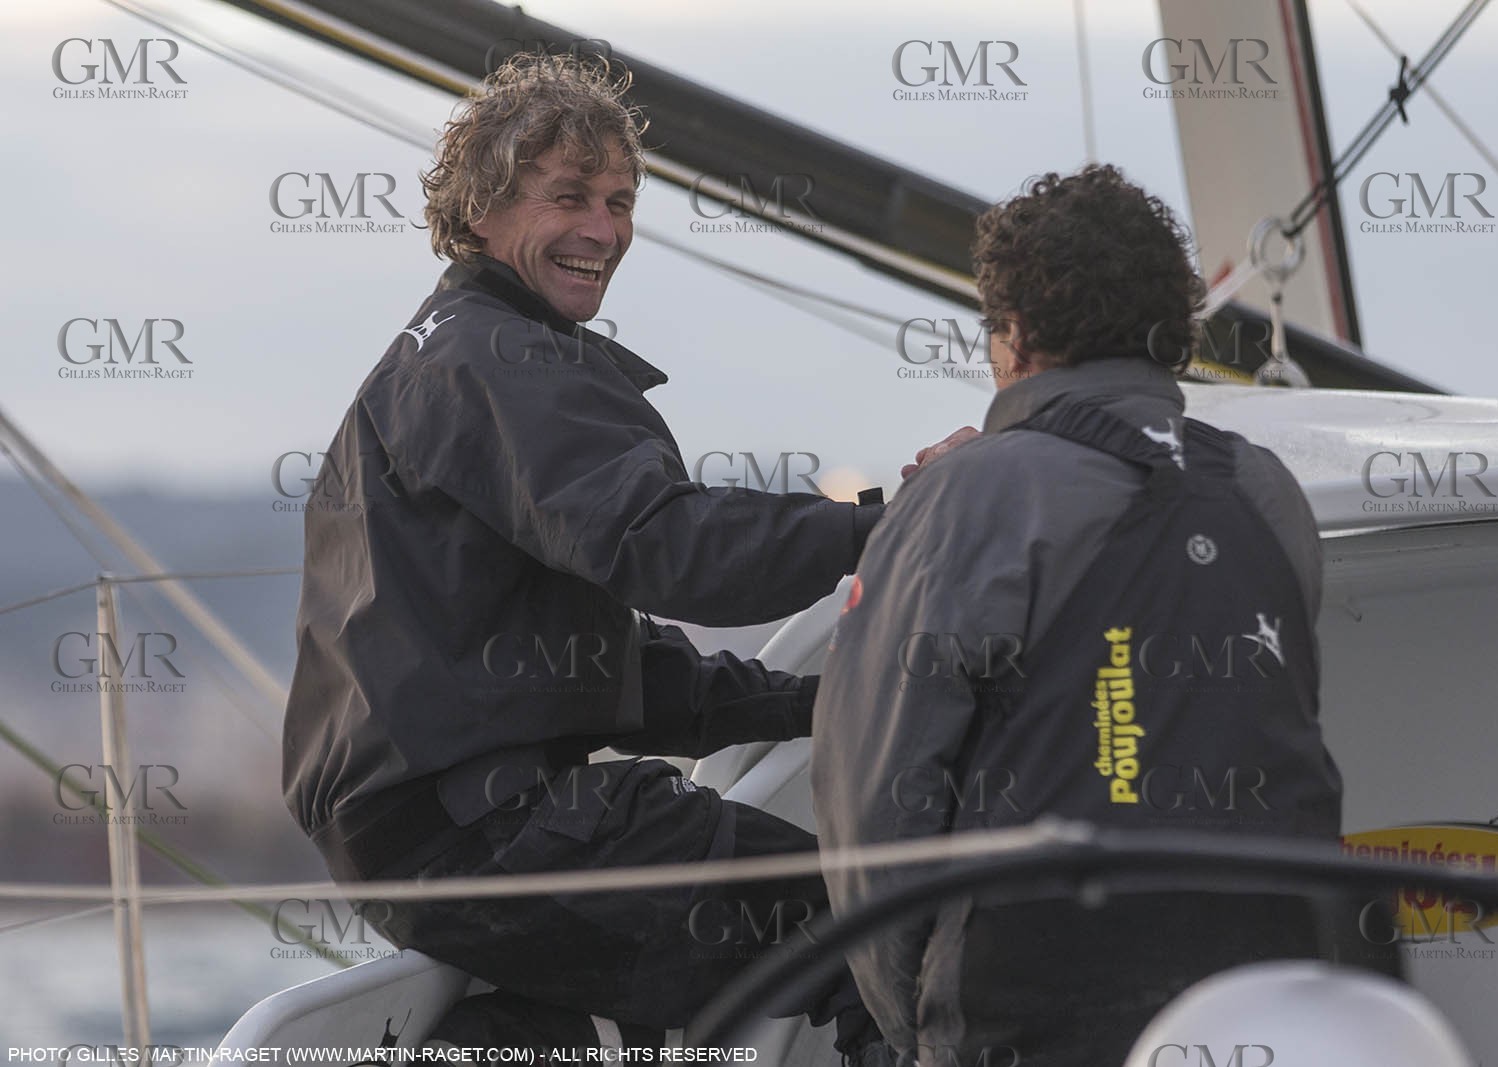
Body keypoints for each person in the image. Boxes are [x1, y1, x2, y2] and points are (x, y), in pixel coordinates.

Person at [282, 53, 951, 1064]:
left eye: (620, 200)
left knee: (807, 921)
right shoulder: (500, 363)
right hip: (487, 836)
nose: (603, 228)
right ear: (480, 211)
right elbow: (670, 548)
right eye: (568, 197)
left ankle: (523, 1035)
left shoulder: (455, 353)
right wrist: (902, 526)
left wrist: (809, 703)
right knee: (882, 929)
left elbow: (600, 664)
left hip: (437, 833)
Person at [811, 164, 1358, 1065]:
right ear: (1170, 326)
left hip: (1039, 1007)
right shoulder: (1269, 494)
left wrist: (915, 1025)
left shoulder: (967, 497)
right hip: (1270, 995)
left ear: (1016, 331)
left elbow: (873, 800)